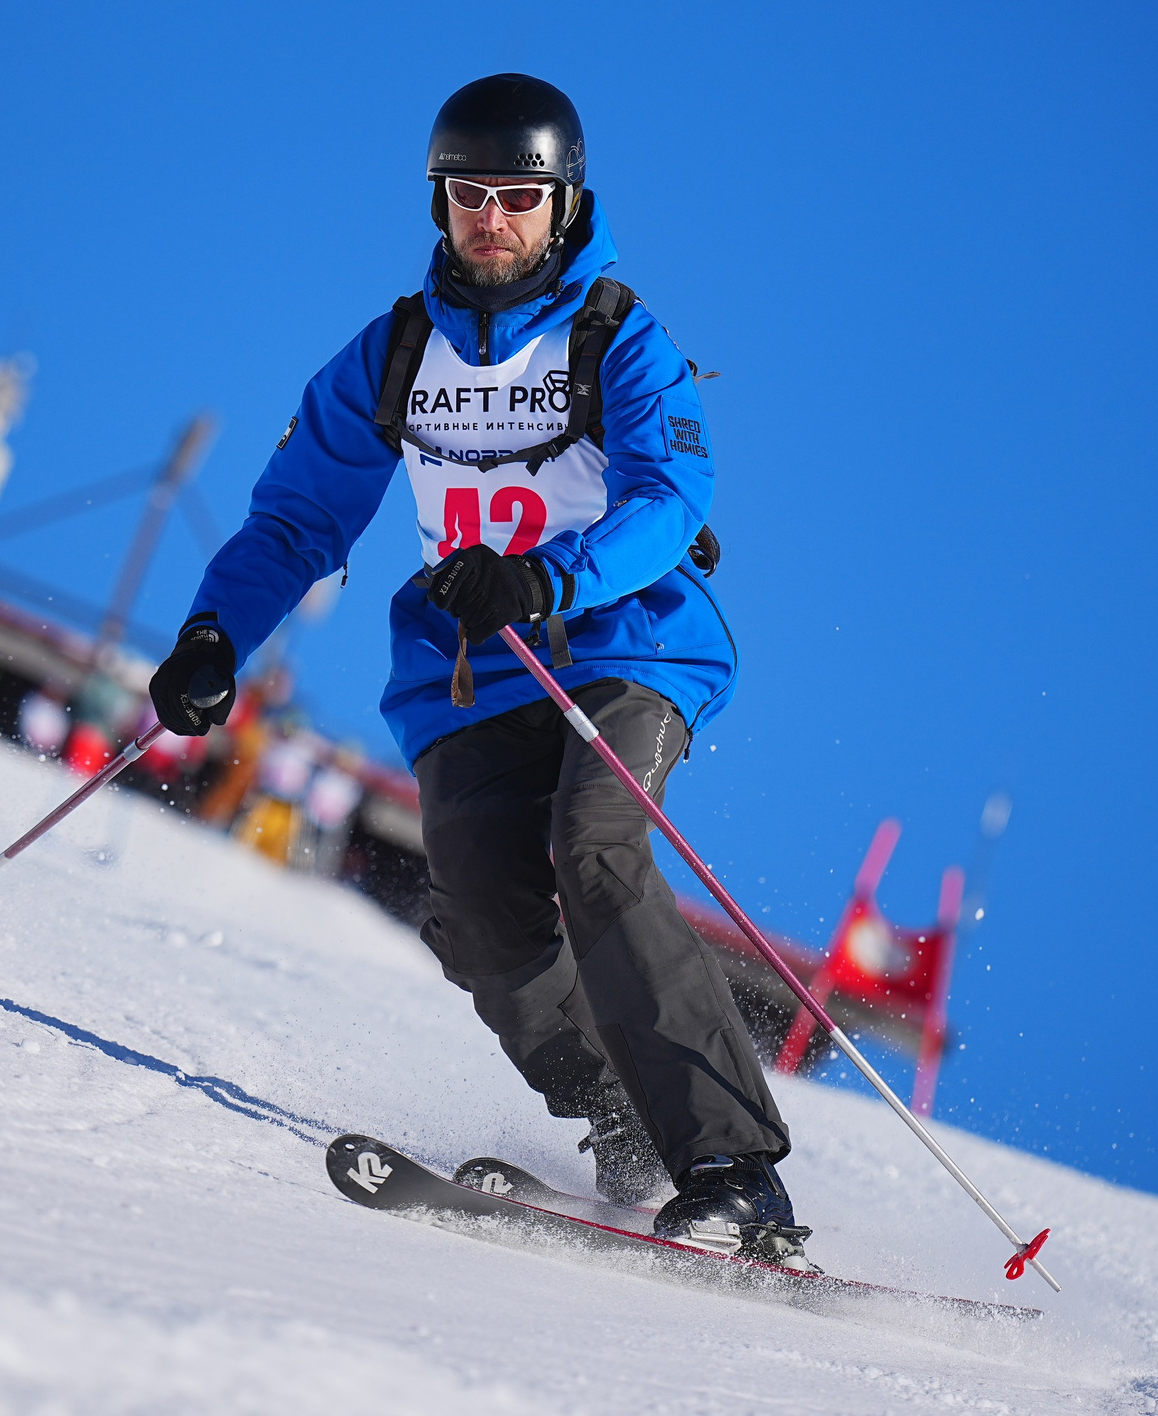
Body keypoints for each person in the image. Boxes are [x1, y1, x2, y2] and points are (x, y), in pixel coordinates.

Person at [148, 74, 807, 1263]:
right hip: (471, 671)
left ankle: (730, 1168)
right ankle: (626, 1128)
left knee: (594, 845)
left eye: (516, 196)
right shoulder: (395, 352)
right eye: (466, 196)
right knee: (483, 919)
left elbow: (673, 497)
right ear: (438, 203)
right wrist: (212, 638)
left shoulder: (617, 337)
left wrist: (550, 576)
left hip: (624, 645)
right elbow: (298, 519)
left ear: (563, 204)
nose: (489, 220)